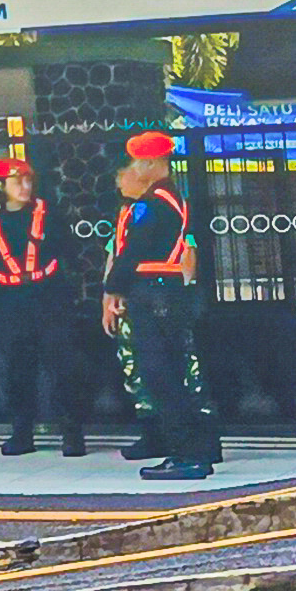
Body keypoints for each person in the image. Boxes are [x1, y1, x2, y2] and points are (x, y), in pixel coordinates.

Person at [104, 129, 219, 480]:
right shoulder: (169, 198)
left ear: (152, 163)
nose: (134, 170)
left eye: (138, 163)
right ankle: (191, 451)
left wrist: (112, 289)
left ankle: (186, 454)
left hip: (154, 295)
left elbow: (133, 251)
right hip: (163, 292)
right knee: (168, 373)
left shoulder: (153, 204)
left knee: (161, 375)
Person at [0, 153, 89, 457]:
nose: (24, 187)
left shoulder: (48, 213)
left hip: (49, 296)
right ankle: (22, 433)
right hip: (10, 300)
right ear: (0, 186)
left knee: (62, 366)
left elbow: (68, 249)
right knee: (17, 369)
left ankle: (72, 434)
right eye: (17, 182)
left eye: (28, 181)